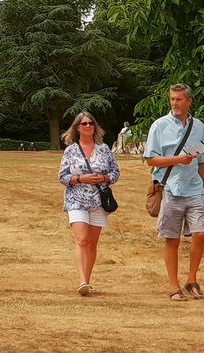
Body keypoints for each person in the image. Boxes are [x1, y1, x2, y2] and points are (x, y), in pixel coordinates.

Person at [144, 83, 204, 301]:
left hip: (195, 190)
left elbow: (203, 159)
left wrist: (201, 182)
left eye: (179, 99)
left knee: (200, 234)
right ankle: (174, 287)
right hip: (170, 189)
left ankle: (192, 279)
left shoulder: (199, 126)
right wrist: (177, 160)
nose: (174, 103)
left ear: (189, 101)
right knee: (171, 239)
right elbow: (150, 160)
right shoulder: (159, 126)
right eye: (172, 99)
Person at [58, 111, 120, 296]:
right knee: (82, 239)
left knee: (92, 244)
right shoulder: (71, 150)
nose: (87, 126)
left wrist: (104, 178)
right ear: (77, 128)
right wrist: (81, 178)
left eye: (90, 123)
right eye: (83, 124)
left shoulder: (104, 149)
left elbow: (116, 172)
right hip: (76, 200)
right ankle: (82, 281)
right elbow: (63, 177)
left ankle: (87, 280)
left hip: (98, 201)